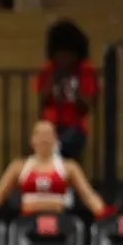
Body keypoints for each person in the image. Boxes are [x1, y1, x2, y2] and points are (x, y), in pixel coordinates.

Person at [0, 120, 107, 218]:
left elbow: (88, 196)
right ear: (32, 139)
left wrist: (105, 215)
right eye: (39, 134)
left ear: (55, 139)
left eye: (48, 134)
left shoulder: (69, 167)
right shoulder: (19, 166)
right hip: (27, 225)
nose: (43, 139)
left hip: (59, 223)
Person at [35, 20, 97, 159]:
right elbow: (42, 101)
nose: (63, 58)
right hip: (51, 125)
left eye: (67, 54)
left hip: (75, 126)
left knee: (68, 143)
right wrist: (54, 78)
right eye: (60, 54)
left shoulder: (85, 71)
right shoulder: (48, 69)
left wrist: (75, 80)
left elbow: (86, 106)